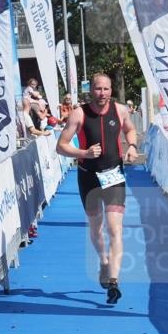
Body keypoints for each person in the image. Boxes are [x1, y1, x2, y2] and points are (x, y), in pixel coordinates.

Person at [56, 73, 138, 305]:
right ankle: (103, 260)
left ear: (111, 90)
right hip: (88, 177)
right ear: (90, 90)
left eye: (106, 89)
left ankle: (113, 281)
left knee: (116, 229)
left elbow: (130, 130)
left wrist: (131, 145)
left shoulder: (121, 111)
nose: (102, 93)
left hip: (113, 176)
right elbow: (60, 146)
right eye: (98, 89)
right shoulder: (79, 113)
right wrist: (83, 153)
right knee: (96, 228)